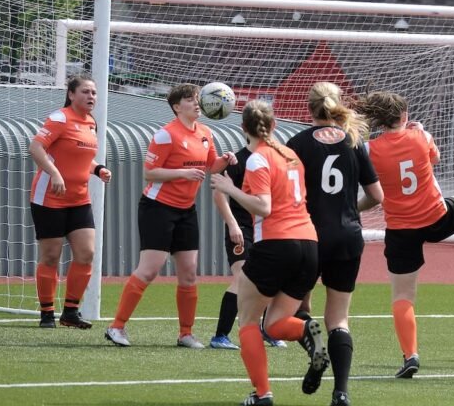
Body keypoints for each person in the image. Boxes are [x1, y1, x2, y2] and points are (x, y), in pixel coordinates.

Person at [210, 99, 326, 406]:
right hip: (309, 245)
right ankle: (306, 329)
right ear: (273, 125)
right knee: (274, 324)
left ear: (243, 128)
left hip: (277, 243)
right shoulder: (291, 155)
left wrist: (228, 187)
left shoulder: (258, 159)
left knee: (247, 320)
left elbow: (264, 206)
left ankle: (262, 393)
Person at [104, 83, 236, 348]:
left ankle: (186, 333)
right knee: (150, 269)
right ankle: (116, 327)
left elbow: (211, 167)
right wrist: (181, 173)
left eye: (198, 99)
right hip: (157, 208)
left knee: (188, 273)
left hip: (186, 210)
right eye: (190, 100)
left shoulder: (206, 133)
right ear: (177, 107)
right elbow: (150, 173)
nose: (197, 103)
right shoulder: (166, 135)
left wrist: (226, 159)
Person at [287, 82, 384, 406]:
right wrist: (346, 210)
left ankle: (316, 352)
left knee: (299, 309)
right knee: (339, 319)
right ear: (337, 104)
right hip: (347, 236)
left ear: (308, 107)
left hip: (307, 236)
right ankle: (341, 391)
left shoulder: (296, 144)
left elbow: (288, 194)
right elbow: (376, 196)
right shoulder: (354, 142)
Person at [356, 91, 454, 379]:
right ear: (404, 116)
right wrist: (418, 132)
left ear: (378, 120)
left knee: (402, 295)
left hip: (401, 229)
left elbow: (371, 189)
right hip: (436, 220)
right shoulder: (421, 136)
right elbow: (435, 160)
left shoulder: (369, 150)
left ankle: (410, 354)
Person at [28, 75, 111, 329]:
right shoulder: (59, 118)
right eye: (85, 91)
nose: (91, 96)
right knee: (51, 256)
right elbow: (35, 148)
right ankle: (46, 313)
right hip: (49, 198)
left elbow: (83, 161)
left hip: (79, 199)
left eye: (94, 93)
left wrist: (98, 170)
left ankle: (70, 313)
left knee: (87, 254)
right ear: (72, 94)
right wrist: (54, 173)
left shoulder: (91, 123)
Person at [210, 142, 287, 350]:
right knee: (243, 279)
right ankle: (220, 336)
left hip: (265, 229)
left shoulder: (272, 158)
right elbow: (218, 193)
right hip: (242, 228)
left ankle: (266, 330)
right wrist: (232, 223)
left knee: (267, 279)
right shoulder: (238, 160)